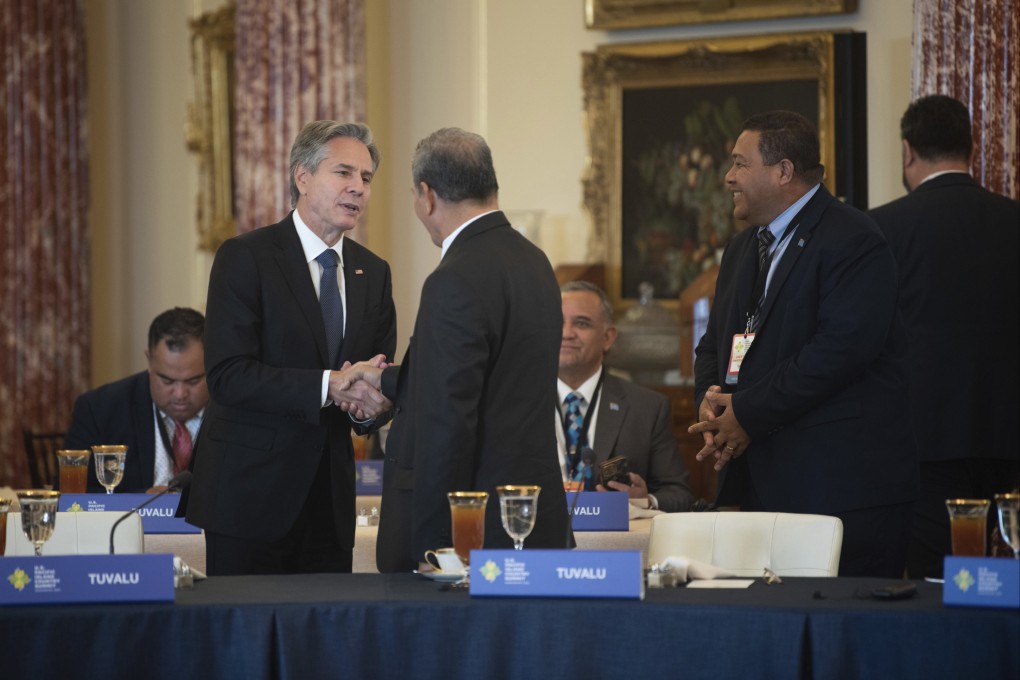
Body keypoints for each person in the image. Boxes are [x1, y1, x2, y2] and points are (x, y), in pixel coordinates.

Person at [688, 110, 918, 578]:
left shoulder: (854, 239)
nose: (728, 177)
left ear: (784, 171)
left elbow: (839, 350)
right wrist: (712, 405)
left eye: (739, 163)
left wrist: (747, 412)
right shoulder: (739, 249)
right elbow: (714, 344)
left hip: (836, 491)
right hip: (758, 487)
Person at [342, 127, 572, 572]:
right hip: (526, 520)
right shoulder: (534, 261)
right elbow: (491, 377)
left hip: (472, 538)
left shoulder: (456, 277)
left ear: (426, 195)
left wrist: (438, 547)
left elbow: (446, 419)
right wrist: (389, 378)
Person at [186, 121, 397, 575]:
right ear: (302, 177)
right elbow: (228, 376)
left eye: (366, 178)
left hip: (331, 505)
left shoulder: (373, 273)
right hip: (249, 500)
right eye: (344, 172)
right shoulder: (246, 257)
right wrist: (331, 384)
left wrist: (368, 405)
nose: (357, 188)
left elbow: (376, 378)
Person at [869, 95, 1020, 579]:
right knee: (1007, 581)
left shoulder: (881, 228)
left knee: (936, 584)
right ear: (971, 149)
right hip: (1010, 436)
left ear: (908, 151)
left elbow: (864, 337)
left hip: (922, 441)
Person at [557, 281, 695, 512]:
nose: (566, 333)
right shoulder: (516, 404)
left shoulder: (647, 408)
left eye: (581, 323)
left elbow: (679, 494)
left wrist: (646, 501)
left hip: (615, 540)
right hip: (538, 542)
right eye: (557, 322)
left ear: (608, 337)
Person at [65, 307, 208, 493]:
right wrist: (140, 502)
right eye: (167, 380)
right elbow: (70, 498)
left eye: (193, 380)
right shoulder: (99, 410)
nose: (180, 393)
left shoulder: (239, 411)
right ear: (149, 361)